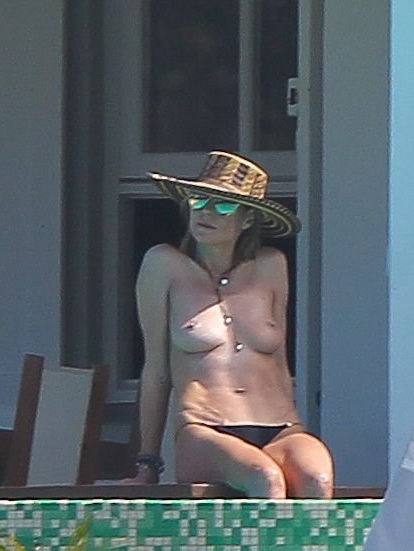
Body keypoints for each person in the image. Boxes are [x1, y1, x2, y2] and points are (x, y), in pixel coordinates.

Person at [131, 151, 334, 498]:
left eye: (223, 206)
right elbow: (156, 370)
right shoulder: (164, 265)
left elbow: (279, 363)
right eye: (198, 200)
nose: (206, 212)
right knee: (266, 480)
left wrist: (294, 426)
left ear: (247, 220)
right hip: (205, 427)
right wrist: (147, 464)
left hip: (280, 425)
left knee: (317, 480)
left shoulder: (271, 266)